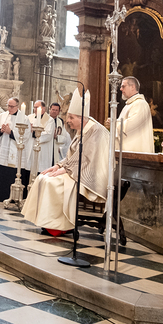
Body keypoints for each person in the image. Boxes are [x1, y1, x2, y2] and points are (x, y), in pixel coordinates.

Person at [22, 91, 109, 233]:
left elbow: (88, 158)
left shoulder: (95, 131)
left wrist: (65, 170)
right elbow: (72, 155)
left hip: (89, 176)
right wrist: (57, 166)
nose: (67, 120)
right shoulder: (82, 129)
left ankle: (58, 227)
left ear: (82, 118)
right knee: (42, 177)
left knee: (52, 182)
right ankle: (46, 223)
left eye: (71, 117)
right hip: (77, 170)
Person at [0, 98, 31, 203]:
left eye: (12, 106)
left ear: (17, 106)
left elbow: (26, 135)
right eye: (8, 106)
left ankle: (11, 199)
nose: (9, 108)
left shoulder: (24, 119)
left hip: (15, 153)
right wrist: (0, 130)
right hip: (1, 152)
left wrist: (11, 132)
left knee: (11, 175)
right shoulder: (2, 116)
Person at [116, 76, 154, 152]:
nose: (121, 89)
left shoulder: (140, 104)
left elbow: (131, 125)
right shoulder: (129, 104)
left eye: (123, 86)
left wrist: (114, 123)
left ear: (132, 87)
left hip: (135, 152)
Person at [41, 102, 68, 167]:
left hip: (55, 147)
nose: (54, 112)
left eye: (56, 110)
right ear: (49, 109)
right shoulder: (44, 119)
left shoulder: (60, 121)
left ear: (59, 112)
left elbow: (64, 137)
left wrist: (57, 137)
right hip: (45, 146)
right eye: (53, 109)